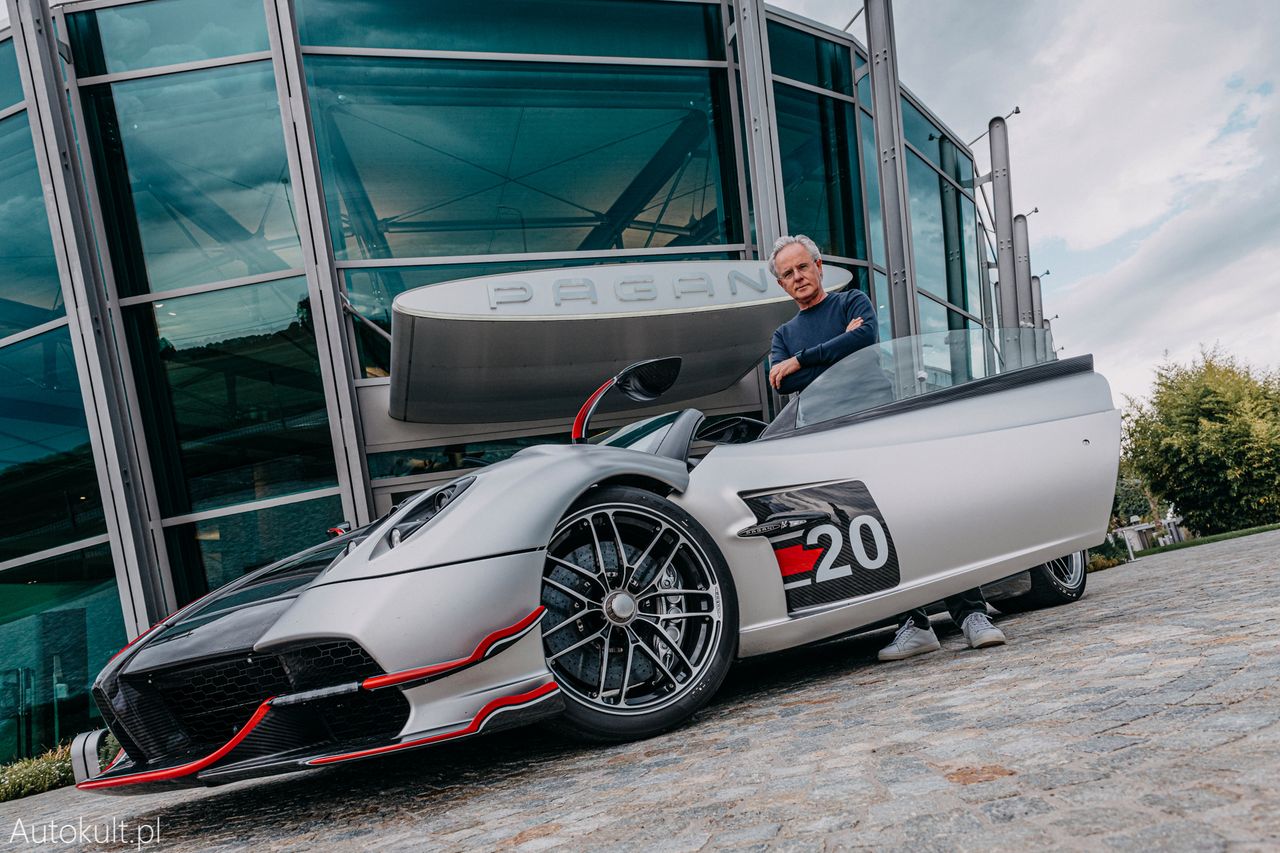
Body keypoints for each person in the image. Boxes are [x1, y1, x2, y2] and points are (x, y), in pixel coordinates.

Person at [765, 234, 1006, 661]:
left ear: (819, 267)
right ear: (782, 285)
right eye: (788, 274)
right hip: (831, 440)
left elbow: (865, 340)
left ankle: (971, 615)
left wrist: (803, 360)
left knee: (925, 512)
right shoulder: (783, 334)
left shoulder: (851, 302)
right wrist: (830, 351)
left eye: (803, 267)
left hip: (880, 424)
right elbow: (785, 382)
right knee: (873, 531)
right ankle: (913, 624)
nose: (798, 277)